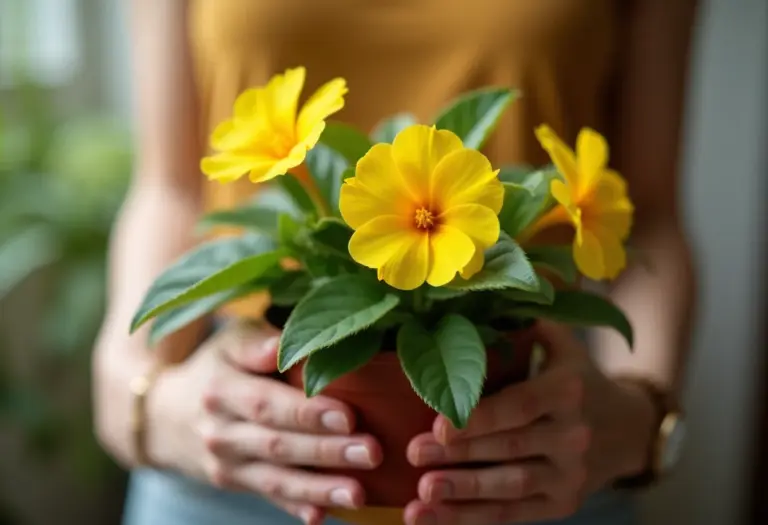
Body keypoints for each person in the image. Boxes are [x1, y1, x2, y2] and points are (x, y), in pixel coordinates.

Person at [93, 1, 699, 524]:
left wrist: (640, 416)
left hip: (540, 446)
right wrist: (142, 396)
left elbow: (648, 218)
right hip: (235, 439)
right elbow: (169, 189)